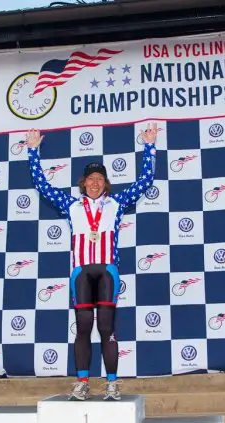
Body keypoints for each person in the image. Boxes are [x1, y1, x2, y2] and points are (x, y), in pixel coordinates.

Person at [26, 123, 159, 401]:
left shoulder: (117, 203)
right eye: (91, 179)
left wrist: (150, 146)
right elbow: (41, 184)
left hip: (108, 271)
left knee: (107, 328)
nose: (95, 183)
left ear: (105, 183)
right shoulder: (71, 204)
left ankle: (111, 383)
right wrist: (32, 151)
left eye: (100, 179)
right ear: (83, 183)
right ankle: (83, 382)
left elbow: (145, 182)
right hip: (81, 273)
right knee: (83, 327)